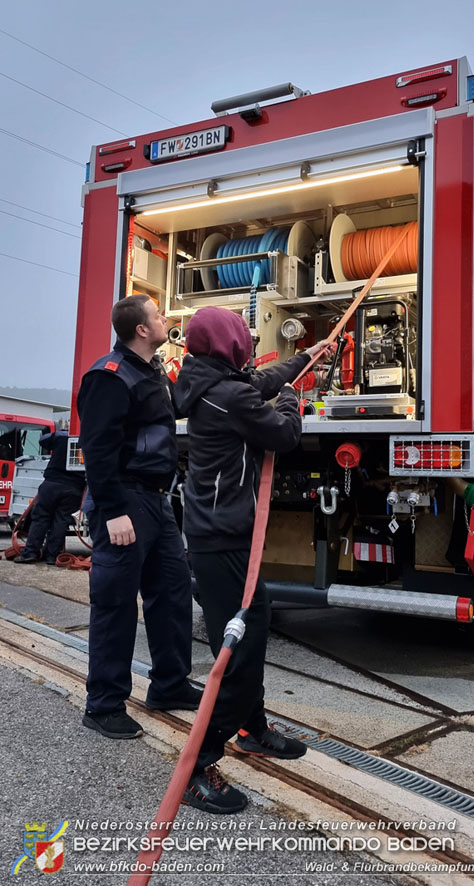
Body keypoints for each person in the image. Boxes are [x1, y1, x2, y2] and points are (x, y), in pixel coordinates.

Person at [174, 306, 333, 814]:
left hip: (224, 535)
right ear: (228, 344)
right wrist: (293, 398)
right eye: (241, 336)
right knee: (236, 653)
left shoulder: (209, 382)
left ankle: (252, 728)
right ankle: (199, 765)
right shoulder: (227, 396)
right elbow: (284, 434)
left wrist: (305, 357)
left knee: (255, 626)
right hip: (222, 542)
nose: (245, 341)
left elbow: (258, 381)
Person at [77, 294, 201, 741]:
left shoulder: (153, 374)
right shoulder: (109, 377)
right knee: (114, 605)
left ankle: (169, 685)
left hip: (157, 502)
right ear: (142, 330)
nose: (165, 318)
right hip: (124, 501)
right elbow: (98, 449)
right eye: (158, 315)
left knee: (171, 594)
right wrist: (112, 511)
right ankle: (104, 704)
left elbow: (183, 406)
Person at [14, 428, 86, 565]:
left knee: (41, 518)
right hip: (74, 488)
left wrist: (60, 433)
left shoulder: (61, 436)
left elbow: (43, 440)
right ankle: (51, 556)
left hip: (52, 484)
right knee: (61, 520)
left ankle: (30, 553)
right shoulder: (90, 437)